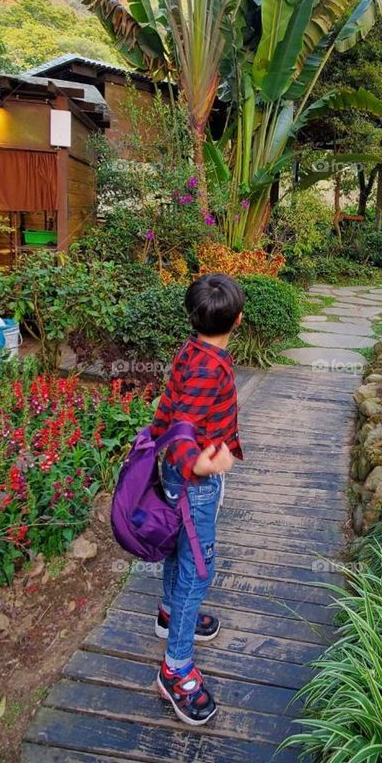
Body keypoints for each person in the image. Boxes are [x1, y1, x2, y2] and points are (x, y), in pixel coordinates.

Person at [150, 272, 244, 725]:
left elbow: (170, 409)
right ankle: (176, 669)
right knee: (197, 572)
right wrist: (202, 467)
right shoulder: (208, 366)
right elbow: (184, 425)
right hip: (196, 486)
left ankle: (170, 614)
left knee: (179, 551)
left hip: (178, 479)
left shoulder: (193, 352)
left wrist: (159, 445)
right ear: (238, 320)